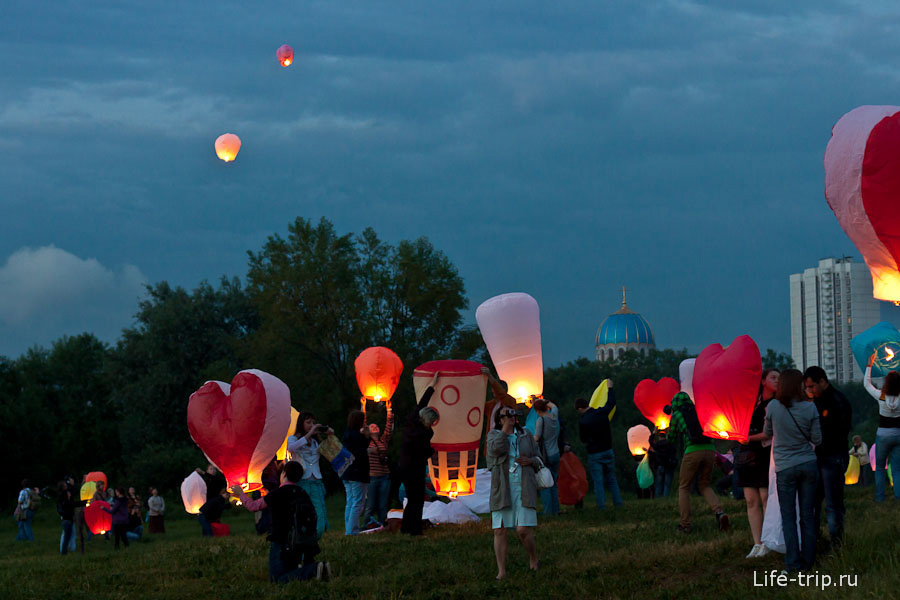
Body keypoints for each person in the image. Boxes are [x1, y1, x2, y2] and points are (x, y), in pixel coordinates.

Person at [764, 369, 822, 573]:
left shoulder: (772, 406)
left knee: (788, 517)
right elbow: (817, 440)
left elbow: (768, 433)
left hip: (784, 468)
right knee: (807, 515)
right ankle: (808, 563)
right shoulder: (810, 408)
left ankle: (792, 564)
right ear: (799, 385)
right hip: (808, 464)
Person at [233, 461, 330, 583]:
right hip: (300, 542)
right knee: (289, 573)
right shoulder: (302, 493)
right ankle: (316, 569)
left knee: (277, 580)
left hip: (281, 542)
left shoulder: (278, 493)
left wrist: (240, 494)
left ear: (283, 474)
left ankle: (313, 569)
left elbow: (254, 506)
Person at [487, 407, 540, 580]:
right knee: (500, 529)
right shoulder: (494, 436)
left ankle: (533, 557)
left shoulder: (525, 435)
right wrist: (505, 431)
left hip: (523, 486)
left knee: (523, 529)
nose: (512, 418)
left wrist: (530, 461)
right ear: (500, 419)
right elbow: (496, 451)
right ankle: (501, 571)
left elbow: (539, 458)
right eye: (507, 416)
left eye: (514, 415)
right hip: (502, 487)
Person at [803, 366, 851, 550]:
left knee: (833, 504)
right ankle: (815, 542)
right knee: (814, 502)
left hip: (832, 457)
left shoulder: (837, 401)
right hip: (818, 458)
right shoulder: (816, 402)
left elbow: (839, 432)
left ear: (822, 382)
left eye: (812, 386)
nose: (810, 391)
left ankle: (836, 545)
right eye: (807, 387)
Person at [667, 392, 729, 533]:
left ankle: (685, 524)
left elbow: (671, 439)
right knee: (704, 485)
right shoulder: (701, 410)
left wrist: (665, 431)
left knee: (684, 487)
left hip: (692, 451)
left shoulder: (676, 415)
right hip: (709, 450)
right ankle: (720, 513)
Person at [736, 368, 778, 559]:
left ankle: (769, 540)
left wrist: (749, 438)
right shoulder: (752, 401)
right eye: (773, 377)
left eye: (779, 378)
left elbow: (770, 433)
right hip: (747, 453)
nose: (777, 381)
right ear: (762, 381)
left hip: (764, 452)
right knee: (751, 499)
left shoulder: (775, 404)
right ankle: (757, 542)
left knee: (765, 497)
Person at [397, 371, 441, 536]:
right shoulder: (422, 434)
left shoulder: (412, 421)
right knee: (416, 499)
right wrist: (433, 451)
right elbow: (424, 451)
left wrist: (432, 385)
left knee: (412, 498)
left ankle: (406, 528)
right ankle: (414, 530)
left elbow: (422, 402)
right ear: (429, 421)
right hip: (414, 467)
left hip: (404, 466)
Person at [575, 381, 623, 509]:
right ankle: (618, 504)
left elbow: (583, 439)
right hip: (608, 449)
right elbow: (611, 403)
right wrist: (610, 389)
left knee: (598, 481)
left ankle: (602, 506)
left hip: (594, 453)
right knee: (612, 479)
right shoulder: (602, 412)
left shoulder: (583, 421)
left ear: (580, 409)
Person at [286, 412, 333, 540]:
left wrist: (329, 436)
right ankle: (300, 540)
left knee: (320, 514)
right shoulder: (294, 438)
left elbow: (330, 454)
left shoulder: (315, 441)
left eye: (313, 423)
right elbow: (291, 448)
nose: (311, 425)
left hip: (316, 481)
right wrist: (310, 433)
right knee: (302, 513)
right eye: (308, 422)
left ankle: (314, 539)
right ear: (301, 423)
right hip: (302, 482)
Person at [864, 353, 900, 501]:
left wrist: (869, 365)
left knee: (879, 467)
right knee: (897, 469)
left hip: (883, 435)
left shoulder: (881, 396)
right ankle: (898, 497)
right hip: (898, 434)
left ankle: (880, 498)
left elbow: (867, 384)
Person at [363, 402, 394, 527]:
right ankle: (367, 525)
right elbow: (363, 423)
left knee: (383, 504)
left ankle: (382, 525)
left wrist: (389, 409)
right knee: (370, 505)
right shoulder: (366, 441)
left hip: (385, 476)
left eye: (376, 425)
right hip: (372, 477)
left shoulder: (383, 440)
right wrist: (363, 407)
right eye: (371, 426)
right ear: (368, 431)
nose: (374, 426)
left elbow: (389, 425)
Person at [341, 410, 370, 535]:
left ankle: (349, 527)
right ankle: (352, 530)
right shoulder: (358, 437)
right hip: (357, 473)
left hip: (346, 472)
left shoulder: (347, 434)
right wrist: (367, 436)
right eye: (363, 420)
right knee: (358, 502)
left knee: (350, 501)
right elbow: (362, 452)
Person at [533, 399, 561, 516]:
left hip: (546, 455)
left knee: (545, 483)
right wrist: (544, 401)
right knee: (554, 483)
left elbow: (537, 438)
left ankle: (547, 511)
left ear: (538, 410)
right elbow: (554, 405)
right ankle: (556, 509)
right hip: (556, 453)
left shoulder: (541, 420)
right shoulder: (554, 415)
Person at [196, 465, 227, 537]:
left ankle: (212, 536)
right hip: (208, 505)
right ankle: (207, 537)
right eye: (211, 469)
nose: (213, 471)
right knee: (206, 523)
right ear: (207, 470)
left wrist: (203, 473)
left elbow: (215, 479)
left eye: (214, 469)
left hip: (215, 505)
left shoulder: (218, 480)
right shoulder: (206, 482)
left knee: (212, 522)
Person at [649, 428, 677, 498]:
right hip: (669, 466)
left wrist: (654, 433)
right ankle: (665, 498)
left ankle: (658, 498)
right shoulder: (670, 443)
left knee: (659, 483)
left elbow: (650, 442)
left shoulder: (657, 445)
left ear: (659, 437)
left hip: (660, 466)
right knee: (667, 484)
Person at [56, 480, 77, 555]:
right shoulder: (65, 500)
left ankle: (69, 549)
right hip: (67, 520)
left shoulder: (63, 499)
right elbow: (75, 503)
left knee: (69, 534)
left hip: (67, 519)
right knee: (66, 536)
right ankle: (64, 551)